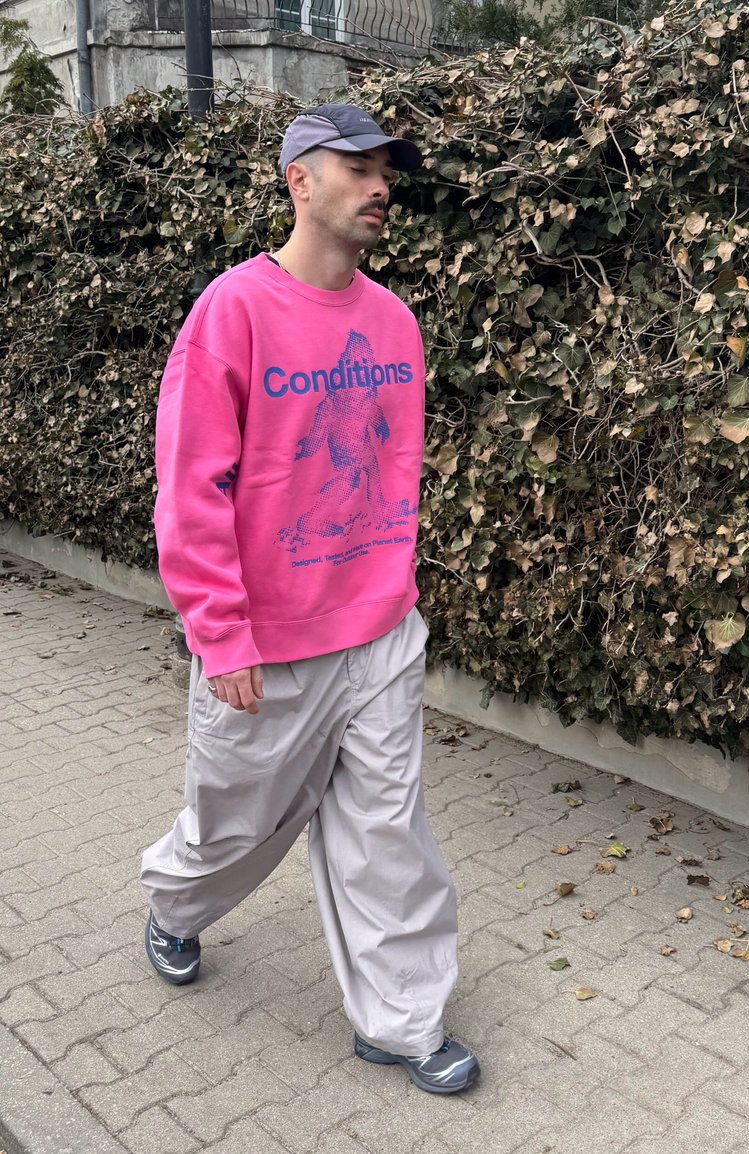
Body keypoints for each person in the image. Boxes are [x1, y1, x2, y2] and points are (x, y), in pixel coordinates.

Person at [140, 103, 480, 1095]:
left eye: (387, 172)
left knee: (388, 833)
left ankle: (402, 1021)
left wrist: (393, 590)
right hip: (267, 641)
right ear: (300, 180)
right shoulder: (233, 311)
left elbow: (392, 464)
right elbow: (190, 485)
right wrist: (221, 632)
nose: (380, 188)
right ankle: (173, 905)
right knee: (233, 826)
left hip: (379, 628)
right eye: (359, 168)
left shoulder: (395, 322)